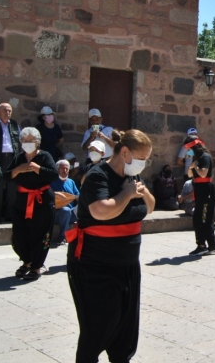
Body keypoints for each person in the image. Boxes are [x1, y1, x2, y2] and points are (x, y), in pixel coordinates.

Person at [66, 129, 154, 362]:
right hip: (95, 266)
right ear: (124, 152)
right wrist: (126, 194)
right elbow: (100, 210)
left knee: (125, 333)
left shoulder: (131, 176)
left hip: (127, 265)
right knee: (98, 329)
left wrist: (143, 192)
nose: (143, 164)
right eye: (141, 158)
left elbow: (150, 207)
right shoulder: (99, 176)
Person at [7, 127, 58, 281]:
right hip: (22, 200)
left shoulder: (45, 156)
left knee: (40, 234)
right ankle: (26, 261)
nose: (28, 143)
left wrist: (38, 169)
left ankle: (36, 266)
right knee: (19, 233)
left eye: (31, 141)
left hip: (42, 201)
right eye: (25, 141)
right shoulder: (19, 158)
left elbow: (54, 174)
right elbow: (6, 176)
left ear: (37, 142)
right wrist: (18, 170)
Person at [186, 139, 215, 256]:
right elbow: (190, 174)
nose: (188, 152)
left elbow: (204, 173)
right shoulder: (197, 159)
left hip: (206, 190)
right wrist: (191, 167)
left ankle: (202, 245)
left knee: (202, 218)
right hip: (199, 189)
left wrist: (195, 167)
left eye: (189, 149)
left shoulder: (205, 157)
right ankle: (212, 245)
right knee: (204, 217)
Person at [51, 159, 80, 246]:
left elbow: (78, 196)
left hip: (71, 213)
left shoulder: (71, 182)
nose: (65, 171)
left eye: (67, 169)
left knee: (85, 206)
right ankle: (62, 236)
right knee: (66, 210)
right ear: (57, 169)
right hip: (57, 214)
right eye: (62, 168)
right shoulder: (52, 182)